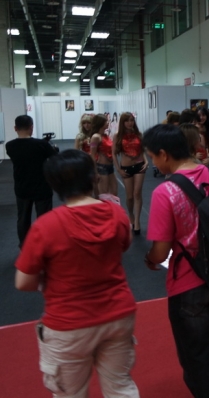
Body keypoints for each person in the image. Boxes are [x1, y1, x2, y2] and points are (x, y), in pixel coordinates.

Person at [15, 149, 139, 397]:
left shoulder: (46, 226)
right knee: (120, 387)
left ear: (53, 184)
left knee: (70, 393)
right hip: (118, 314)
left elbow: (24, 282)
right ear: (93, 177)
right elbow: (123, 246)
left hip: (68, 323)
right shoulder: (117, 214)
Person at [143, 124, 209, 398]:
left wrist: (150, 259)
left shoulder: (165, 192)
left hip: (187, 281)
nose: (153, 163)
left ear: (164, 154)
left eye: (152, 157)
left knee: (195, 354)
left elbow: (161, 251)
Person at [6, 115, 57, 247]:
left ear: (15, 128)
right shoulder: (42, 144)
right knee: (44, 219)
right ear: (31, 127)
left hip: (22, 187)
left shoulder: (9, 146)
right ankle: (45, 246)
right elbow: (54, 157)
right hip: (42, 186)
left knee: (23, 219)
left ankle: (25, 247)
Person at [113, 112, 149, 235]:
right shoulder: (117, 136)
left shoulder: (138, 134)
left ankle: (137, 221)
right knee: (129, 196)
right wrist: (118, 169)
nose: (130, 123)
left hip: (139, 165)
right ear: (122, 122)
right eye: (127, 121)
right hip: (126, 167)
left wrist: (146, 161)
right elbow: (114, 154)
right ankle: (131, 214)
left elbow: (142, 150)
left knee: (137, 193)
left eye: (132, 120)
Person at [90, 114, 118, 196]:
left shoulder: (106, 135)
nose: (108, 123)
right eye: (106, 121)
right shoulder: (96, 137)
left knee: (114, 193)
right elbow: (92, 155)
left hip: (110, 167)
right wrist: (95, 172)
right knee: (104, 195)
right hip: (102, 167)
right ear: (100, 123)